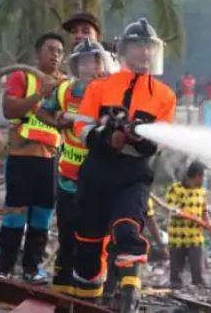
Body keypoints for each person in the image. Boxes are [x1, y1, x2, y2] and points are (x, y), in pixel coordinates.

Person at [71, 18, 176, 312]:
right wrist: (108, 138)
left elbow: (159, 142)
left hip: (134, 174)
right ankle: (87, 301)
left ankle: (129, 300)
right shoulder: (100, 88)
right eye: (138, 46)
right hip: (97, 172)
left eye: (149, 47)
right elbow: (81, 127)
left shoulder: (165, 95)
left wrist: (137, 139)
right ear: (124, 50)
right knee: (89, 244)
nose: (144, 53)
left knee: (129, 232)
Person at [36, 38, 112, 295]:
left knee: (93, 239)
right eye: (85, 62)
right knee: (67, 235)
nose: (90, 67)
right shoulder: (65, 91)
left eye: (95, 62)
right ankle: (63, 293)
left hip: (97, 181)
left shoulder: (108, 93)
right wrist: (58, 124)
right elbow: (41, 112)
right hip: (67, 177)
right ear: (76, 66)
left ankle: (91, 293)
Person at [0, 33, 65, 283]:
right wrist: (39, 95)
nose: (55, 55)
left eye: (59, 51)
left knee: (42, 216)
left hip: (48, 161)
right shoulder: (23, 77)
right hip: (21, 157)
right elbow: (9, 110)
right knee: (15, 214)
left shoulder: (65, 85)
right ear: (38, 53)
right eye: (50, 49)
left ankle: (31, 268)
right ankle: (5, 268)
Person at [102, 197, 168, 307]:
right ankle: (126, 303)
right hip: (129, 245)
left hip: (112, 242)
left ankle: (109, 299)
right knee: (128, 277)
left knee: (111, 278)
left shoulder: (111, 186)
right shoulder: (142, 193)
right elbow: (150, 221)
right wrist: (160, 244)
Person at [166, 161, 210, 288]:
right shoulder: (175, 189)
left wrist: (208, 222)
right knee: (176, 274)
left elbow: (204, 210)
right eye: (203, 176)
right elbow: (172, 210)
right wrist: (190, 217)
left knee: (198, 271)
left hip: (195, 238)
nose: (204, 179)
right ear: (197, 176)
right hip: (177, 238)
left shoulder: (201, 191)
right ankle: (175, 293)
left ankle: (200, 292)